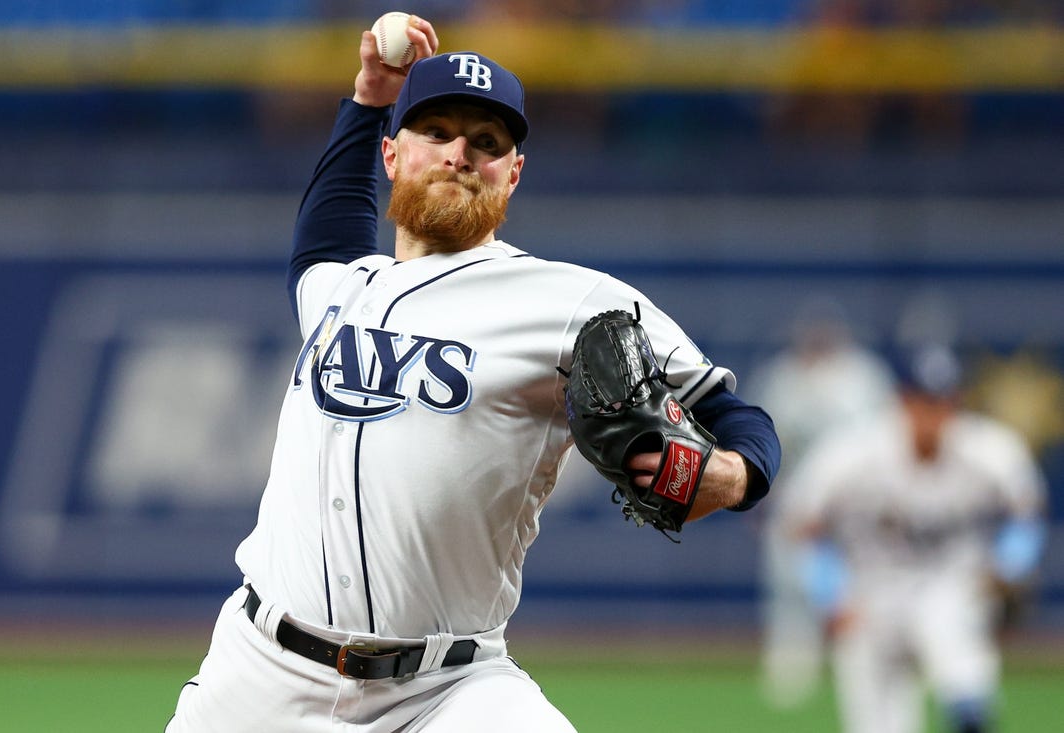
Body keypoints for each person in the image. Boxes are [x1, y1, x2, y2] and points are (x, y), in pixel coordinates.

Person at [165, 15, 779, 732]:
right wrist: (366, 99)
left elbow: (740, 417)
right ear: (392, 156)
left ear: (512, 175)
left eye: (488, 143)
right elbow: (321, 240)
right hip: (258, 672)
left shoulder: (574, 301)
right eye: (438, 132)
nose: (461, 152)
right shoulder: (345, 287)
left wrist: (733, 476)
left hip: (447, 690)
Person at [782, 343, 1048, 733]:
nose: (933, 414)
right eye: (923, 401)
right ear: (901, 401)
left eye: (943, 401)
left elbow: (1028, 508)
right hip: (871, 594)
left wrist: (1010, 564)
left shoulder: (987, 448)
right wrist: (830, 593)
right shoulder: (854, 453)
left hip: (951, 585)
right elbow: (802, 522)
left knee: (963, 675)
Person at [748, 298, 897, 707]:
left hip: (855, 503)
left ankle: (869, 667)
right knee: (789, 588)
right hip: (795, 497)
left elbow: (886, 440)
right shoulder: (780, 376)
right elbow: (763, 444)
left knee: (863, 587)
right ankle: (791, 674)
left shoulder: (864, 376)